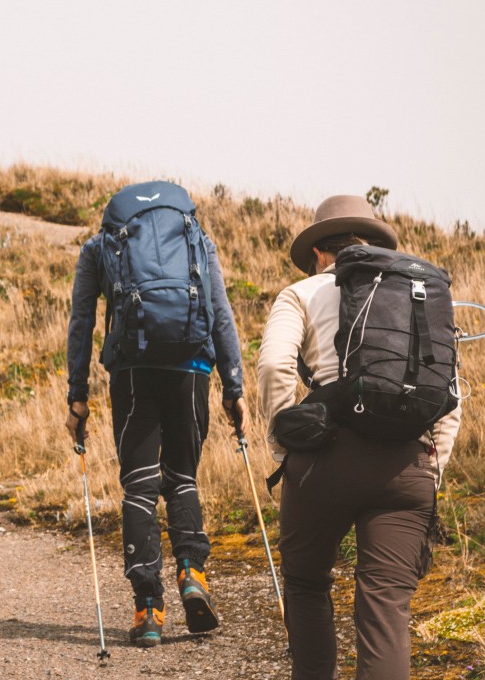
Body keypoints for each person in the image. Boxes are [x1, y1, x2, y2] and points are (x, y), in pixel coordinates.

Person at [257, 195, 461, 680]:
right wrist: (433, 465)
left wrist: (286, 443)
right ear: (371, 244)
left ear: (320, 254)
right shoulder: (419, 292)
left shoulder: (301, 292)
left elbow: (273, 366)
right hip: (408, 464)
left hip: (325, 457)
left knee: (306, 584)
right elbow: (451, 392)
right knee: (387, 604)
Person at [65, 182, 247, 647]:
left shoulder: (100, 246)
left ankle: (149, 608)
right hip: (191, 367)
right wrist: (234, 387)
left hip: (132, 371)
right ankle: (193, 575)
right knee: (182, 477)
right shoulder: (197, 239)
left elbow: (81, 322)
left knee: (139, 486)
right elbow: (220, 313)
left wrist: (77, 396)